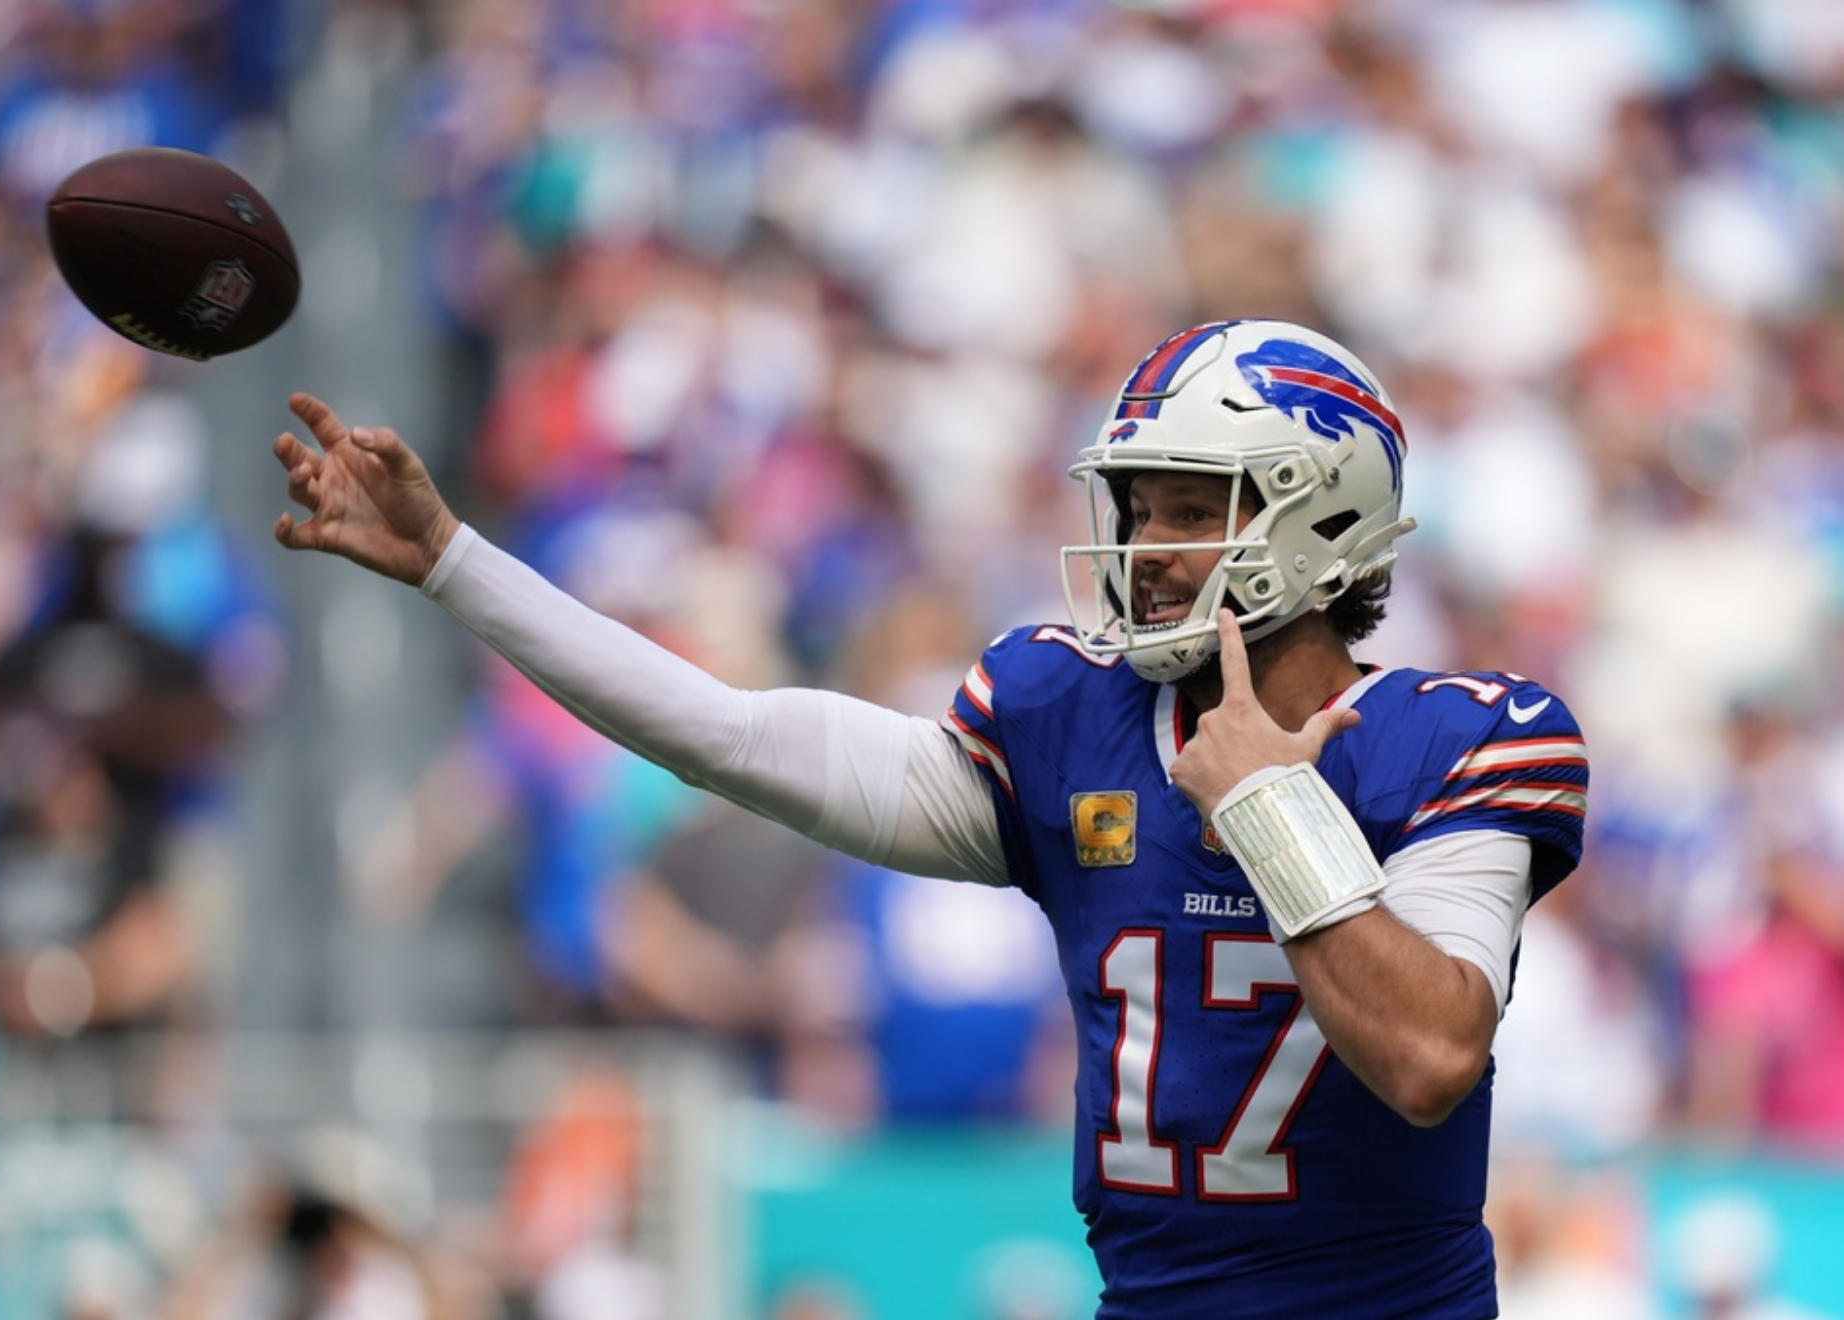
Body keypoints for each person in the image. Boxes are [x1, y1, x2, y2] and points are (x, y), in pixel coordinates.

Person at [268, 318, 1590, 1319]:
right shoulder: (1075, 724)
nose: (1147, 545)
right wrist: (456, 562)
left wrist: (1267, 808)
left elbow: (1429, 1052)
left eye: (1194, 506)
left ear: (1325, 515)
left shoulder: (1457, 737)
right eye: (1138, 505)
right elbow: (726, 733)